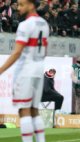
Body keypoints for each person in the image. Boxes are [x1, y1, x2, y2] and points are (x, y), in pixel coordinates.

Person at [0, 0, 49, 141]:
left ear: (32, 5)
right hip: (39, 69)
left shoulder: (25, 25)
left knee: (24, 110)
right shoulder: (44, 24)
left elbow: (17, 52)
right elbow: (45, 50)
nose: (19, 8)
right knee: (34, 111)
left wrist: (1, 69)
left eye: (22, 4)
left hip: (25, 70)